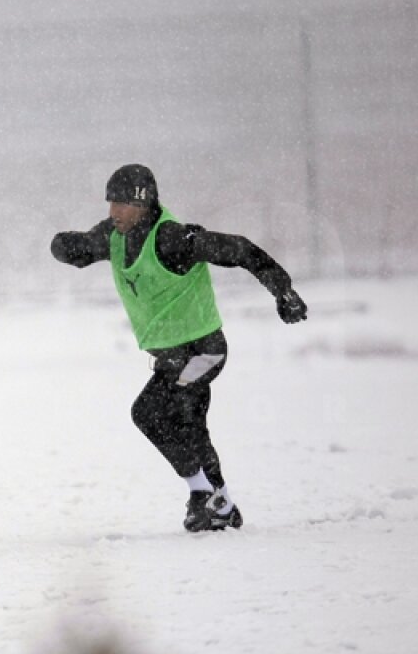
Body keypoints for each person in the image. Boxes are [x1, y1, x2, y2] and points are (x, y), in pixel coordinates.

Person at [50, 164, 308, 532]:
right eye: (110, 202)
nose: (113, 211)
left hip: (205, 352)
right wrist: (64, 247)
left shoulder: (171, 239)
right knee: (186, 422)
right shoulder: (114, 236)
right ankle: (219, 503)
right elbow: (83, 250)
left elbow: (240, 249)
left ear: (143, 203)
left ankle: (205, 494)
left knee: (155, 412)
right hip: (171, 359)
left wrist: (283, 290)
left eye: (122, 203)